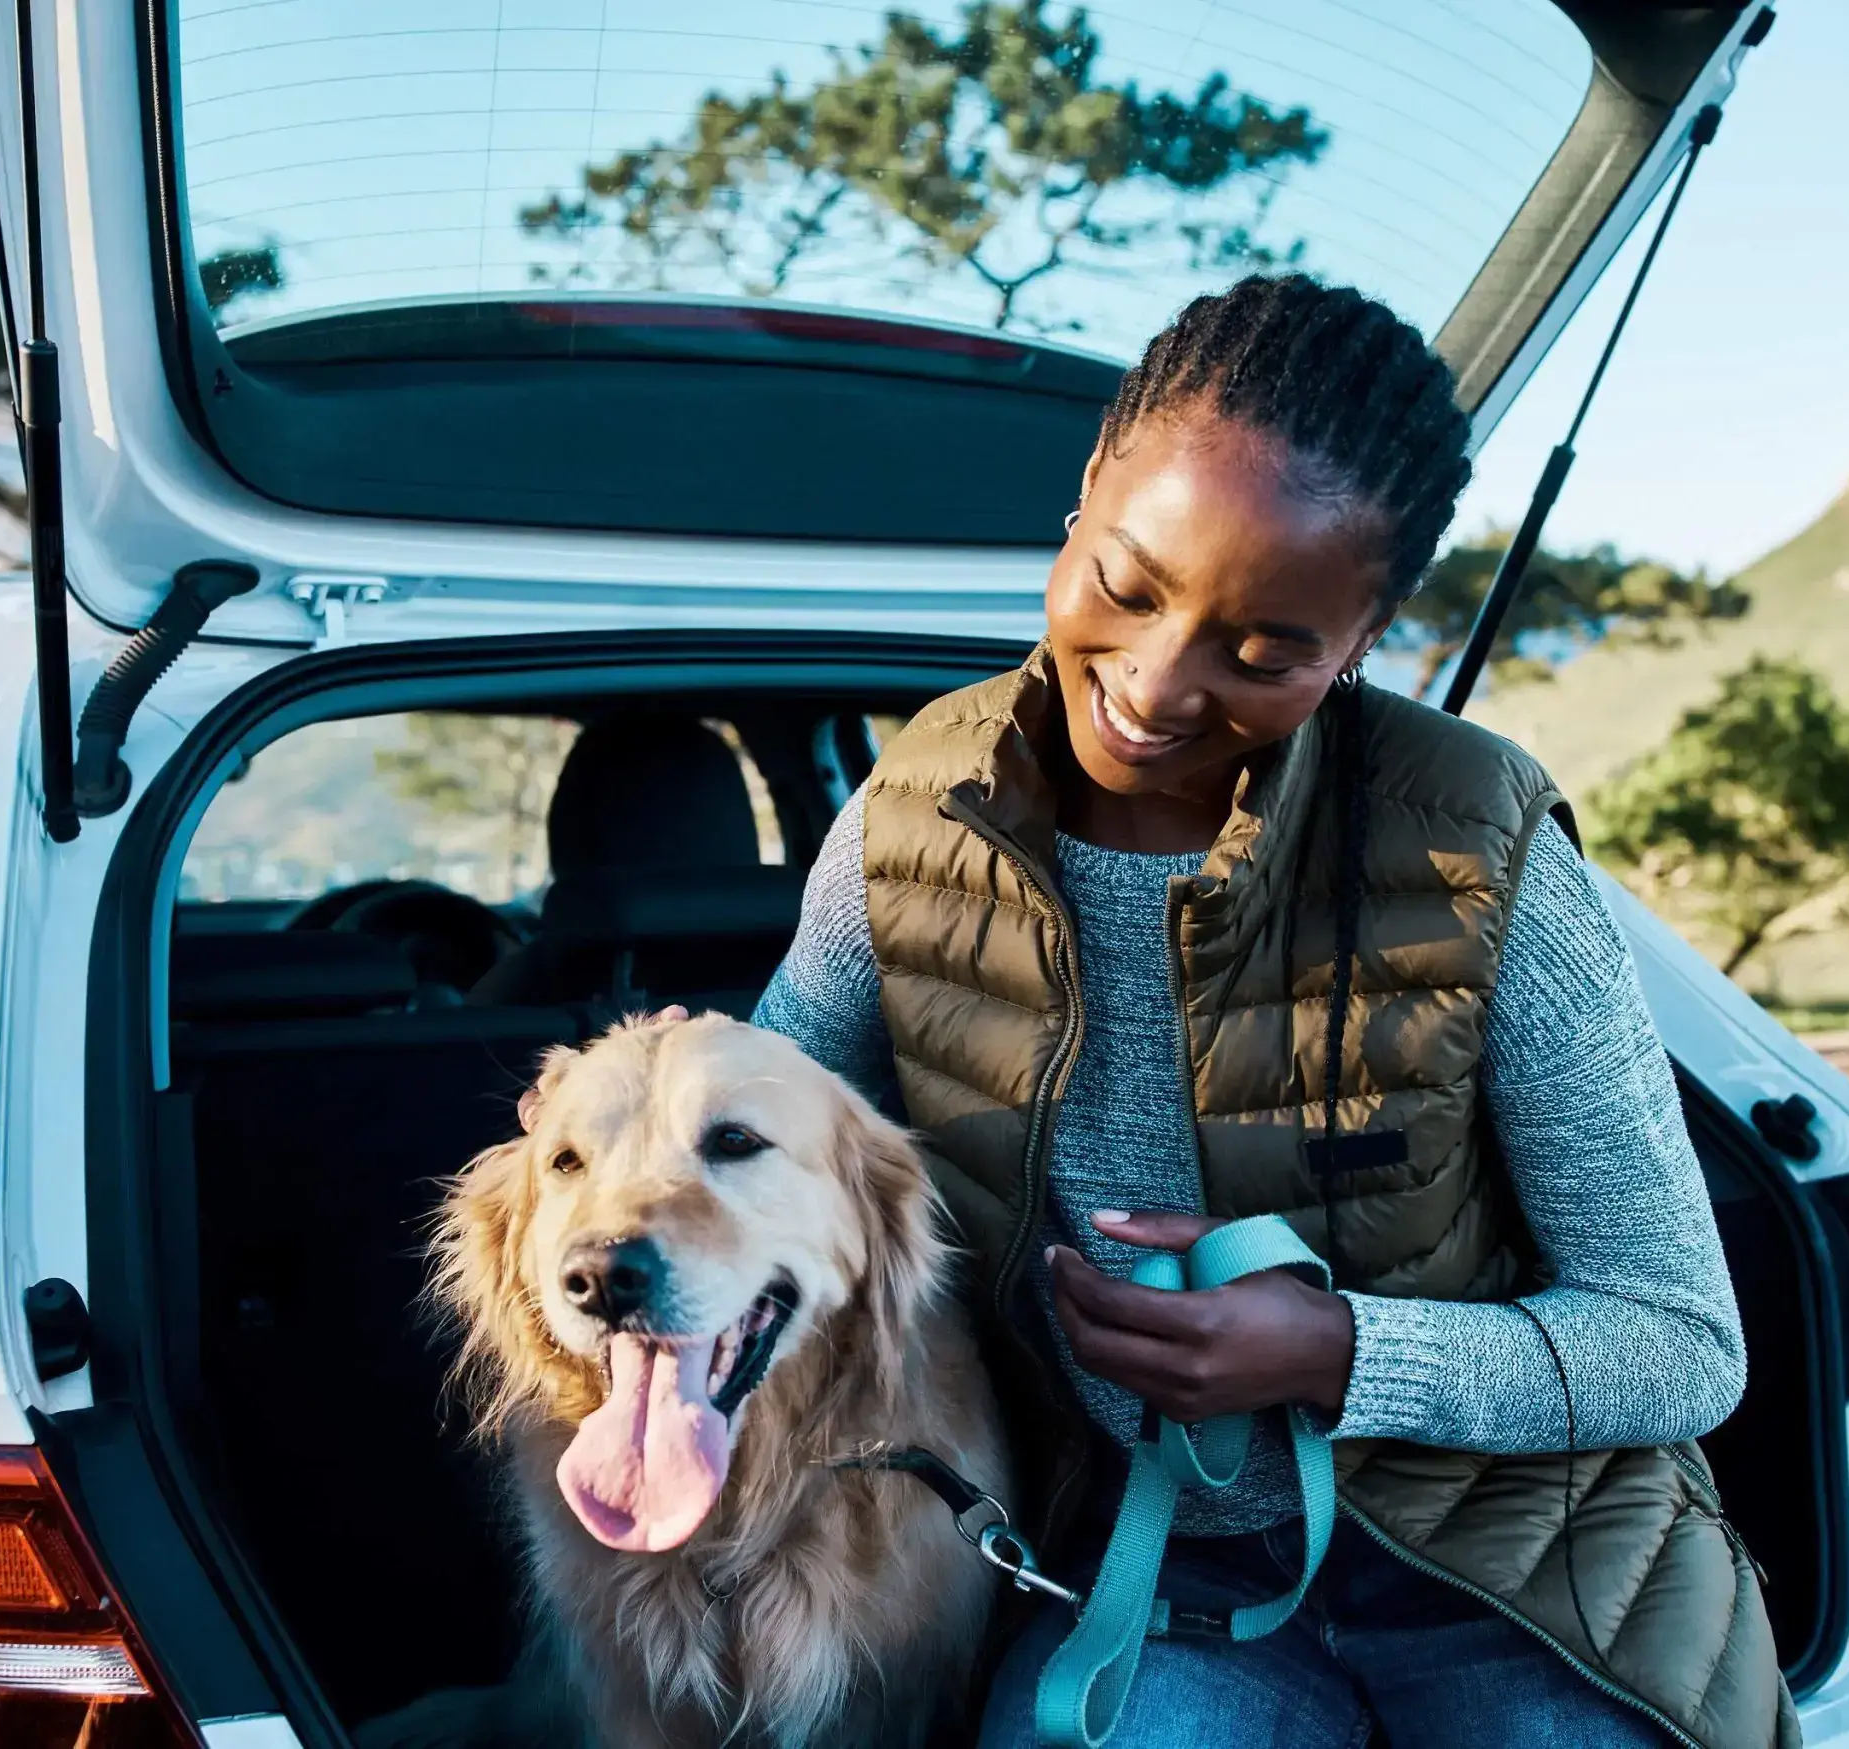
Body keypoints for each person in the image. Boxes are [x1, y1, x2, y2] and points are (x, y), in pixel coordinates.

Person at [752, 274, 1796, 1749]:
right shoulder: (909, 822)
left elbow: (1682, 1341)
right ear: (1082, 498)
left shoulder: (1477, 846)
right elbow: (754, 1166)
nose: (1157, 687)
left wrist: (1340, 1355)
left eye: (1266, 655)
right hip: (1149, 1569)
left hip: (1517, 1578)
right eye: (1126, 583)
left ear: (1362, 638)